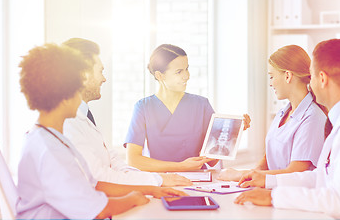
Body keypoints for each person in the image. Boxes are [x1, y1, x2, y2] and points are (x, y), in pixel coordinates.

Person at [16, 43, 185, 219]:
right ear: (65, 93)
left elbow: (94, 184)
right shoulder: (50, 150)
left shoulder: (51, 138)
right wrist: (133, 198)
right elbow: (97, 210)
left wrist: (150, 189)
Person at [235, 39, 340, 219]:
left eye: (312, 76)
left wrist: (274, 196)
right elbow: (321, 177)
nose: (311, 82)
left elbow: (339, 201)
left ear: (322, 79)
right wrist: (268, 180)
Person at [62, 38, 191, 187]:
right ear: (83, 74)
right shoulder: (68, 123)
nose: (104, 79)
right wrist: (159, 180)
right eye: (100, 71)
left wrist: (156, 179)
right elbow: (98, 176)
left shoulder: (84, 116)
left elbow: (115, 163)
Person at [124, 44, 250, 172]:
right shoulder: (143, 108)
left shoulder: (201, 105)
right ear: (159, 75)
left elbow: (211, 161)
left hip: (198, 181)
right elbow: (134, 160)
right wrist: (181, 167)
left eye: (187, 69)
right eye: (179, 72)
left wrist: (233, 132)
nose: (187, 76)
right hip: (162, 181)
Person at [218, 45, 326, 182]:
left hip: (294, 196)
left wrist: (241, 174)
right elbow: (269, 156)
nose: (270, 83)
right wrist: (251, 175)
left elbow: (294, 173)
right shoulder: (283, 113)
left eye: (272, 76)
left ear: (287, 76)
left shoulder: (313, 119)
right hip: (271, 189)